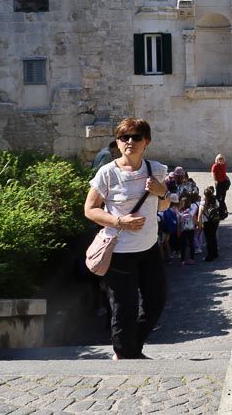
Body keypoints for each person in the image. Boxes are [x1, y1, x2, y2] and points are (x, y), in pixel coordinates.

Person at [84, 117, 169, 360]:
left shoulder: (157, 170)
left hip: (150, 248)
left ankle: (132, 348)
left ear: (146, 142)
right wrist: (120, 222)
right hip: (120, 251)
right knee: (124, 307)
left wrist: (161, 191)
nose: (129, 142)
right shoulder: (107, 174)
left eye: (136, 137)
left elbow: (163, 205)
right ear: (118, 143)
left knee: (156, 302)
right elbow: (90, 209)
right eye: (124, 138)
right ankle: (124, 354)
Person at [197, 186, 220, 262]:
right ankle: (215, 253)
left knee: (208, 239)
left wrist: (199, 225)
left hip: (207, 222)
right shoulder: (215, 200)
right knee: (213, 237)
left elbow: (200, 215)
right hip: (215, 221)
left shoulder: (203, 203)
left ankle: (210, 255)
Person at [177, 194, 197, 266]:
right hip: (191, 229)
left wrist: (178, 231)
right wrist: (195, 226)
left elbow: (179, 223)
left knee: (183, 245)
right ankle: (192, 259)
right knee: (191, 244)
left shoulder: (180, 212)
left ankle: (182, 260)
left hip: (183, 230)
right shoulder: (191, 211)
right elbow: (194, 219)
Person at [211, 154, 230, 220]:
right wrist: (215, 180)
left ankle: (222, 208)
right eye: (219, 159)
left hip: (224, 182)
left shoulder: (223, 165)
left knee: (223, 196)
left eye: (221, 159)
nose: (221, 160)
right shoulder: (215, 166)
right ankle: (220, 209)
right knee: (219, 197)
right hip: (218, 183)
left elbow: (224, 173)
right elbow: (213, 173)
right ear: (217, 159)